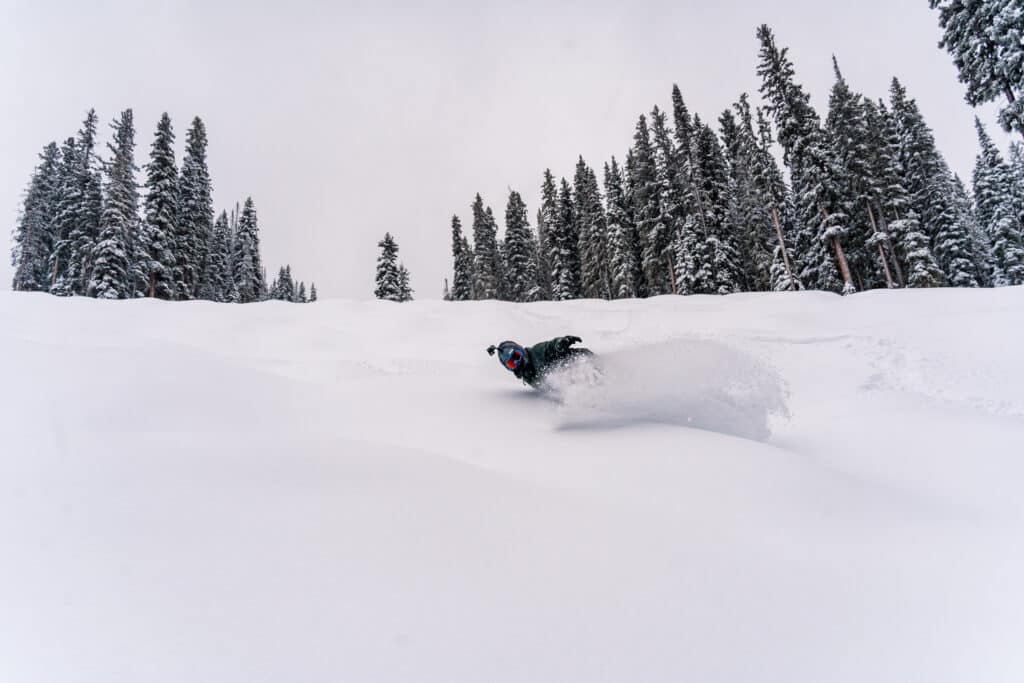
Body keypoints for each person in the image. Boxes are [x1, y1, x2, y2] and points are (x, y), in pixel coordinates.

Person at [486, 336, 592, 389]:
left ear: (521, 351)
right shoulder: (527, 376)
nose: (517, 362)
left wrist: (560, 343)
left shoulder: (536, 352)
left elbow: (549, 347)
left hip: (581, 361)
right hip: (575, 383)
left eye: (517, 356)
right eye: (512, 364)